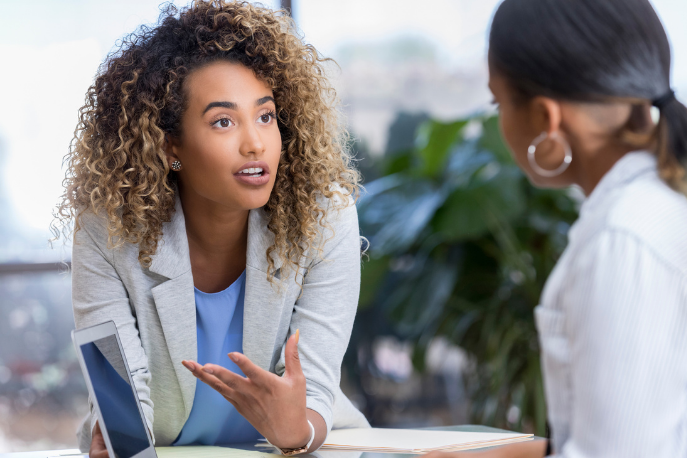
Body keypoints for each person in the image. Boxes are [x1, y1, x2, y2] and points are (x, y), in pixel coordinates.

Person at [54, 1, 369, 455]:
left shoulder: (324, 216)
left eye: (266, 116)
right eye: (223, 121)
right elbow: (123, 402)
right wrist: (114, 438)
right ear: (169, 147)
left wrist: (299, 430)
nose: (255, 142)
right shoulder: (109, 230)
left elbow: (315, 389)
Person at [426, 0, 687, 457]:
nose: (497, 118)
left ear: (546, 117)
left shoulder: (622, 240)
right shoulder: (653, 207)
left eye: (498, 101)